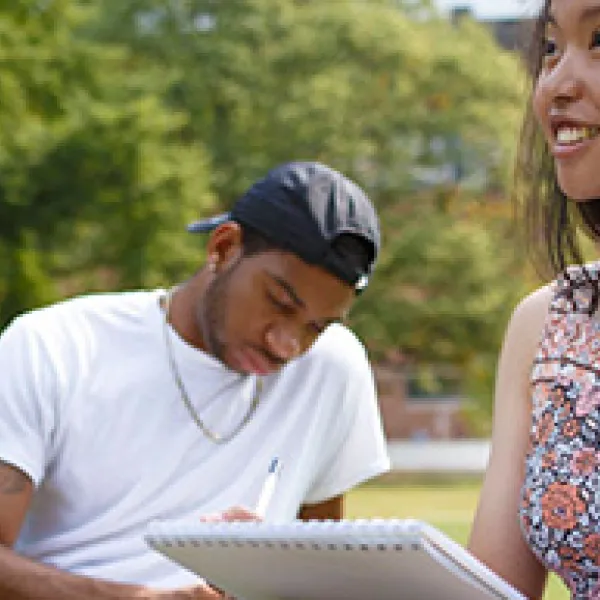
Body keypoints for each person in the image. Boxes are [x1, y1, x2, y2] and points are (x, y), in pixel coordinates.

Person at [0, 161, 390, 599]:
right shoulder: (54, 346)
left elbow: (318, 575)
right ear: (224, 248)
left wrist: (266, 559)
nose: (287, 346)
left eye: (316, 327)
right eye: (280, 303)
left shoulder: (331, 367)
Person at [468, 1, 600, 598]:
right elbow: (489, 591)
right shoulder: (546, 324)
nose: (556, 84)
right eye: (550, 48)